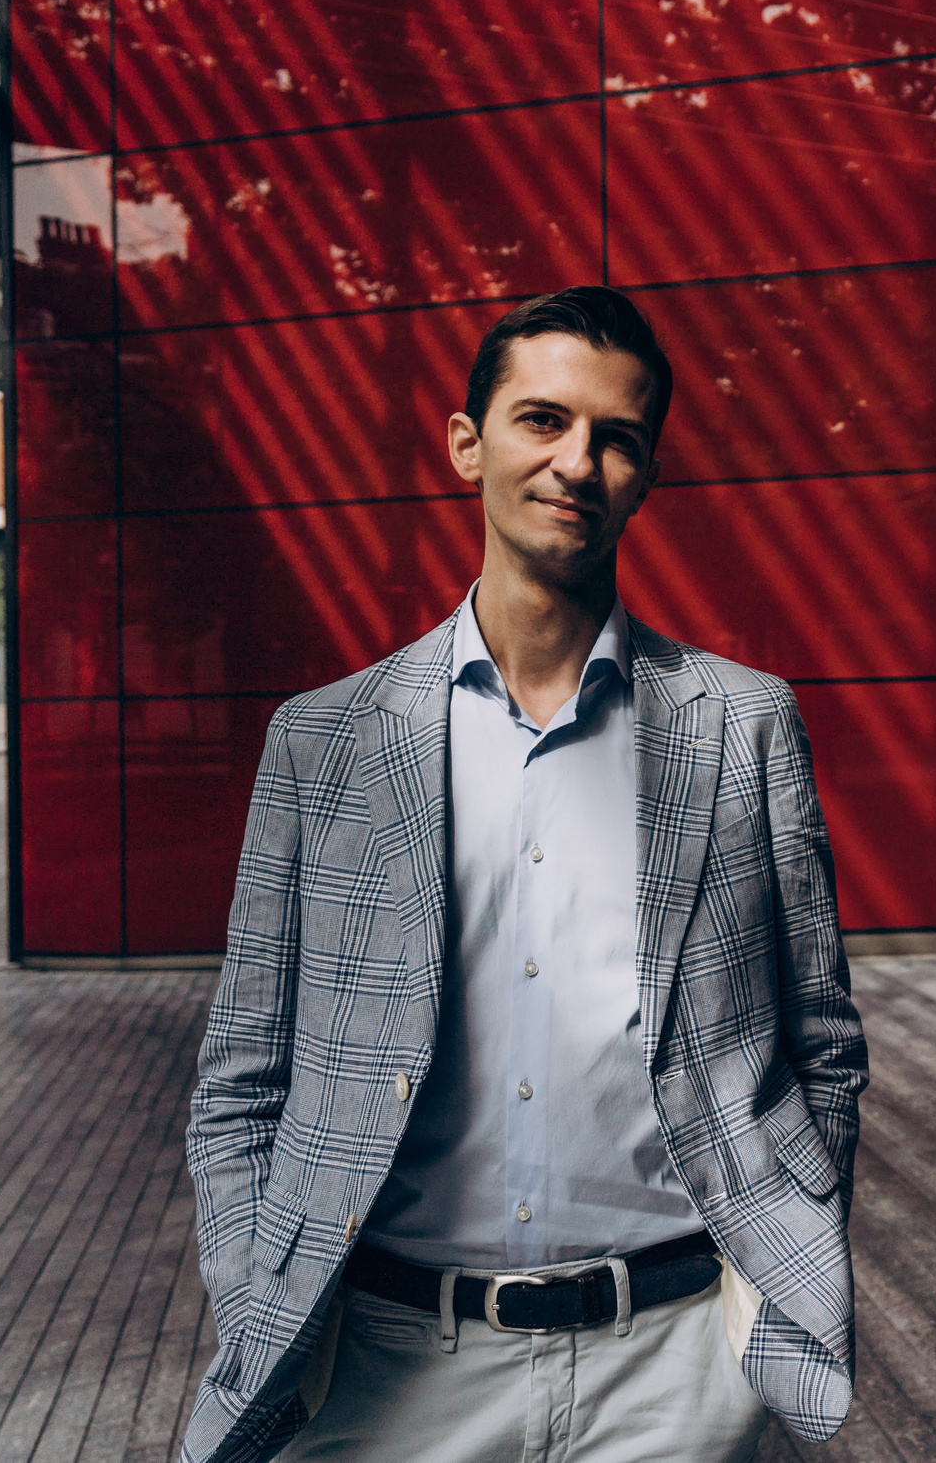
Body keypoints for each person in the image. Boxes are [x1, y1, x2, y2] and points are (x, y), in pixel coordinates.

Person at [182, 287, 867, 1463]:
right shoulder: (324, 740)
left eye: (617, 438)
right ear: (467, 442)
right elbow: (243, 1080)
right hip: (392, 1378)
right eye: (541, 420)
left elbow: (823, 1044)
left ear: (645, 475)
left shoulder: (744, 727)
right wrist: (259, 1292)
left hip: (677, 1375)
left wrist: (781, 1253)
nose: (577, 463)